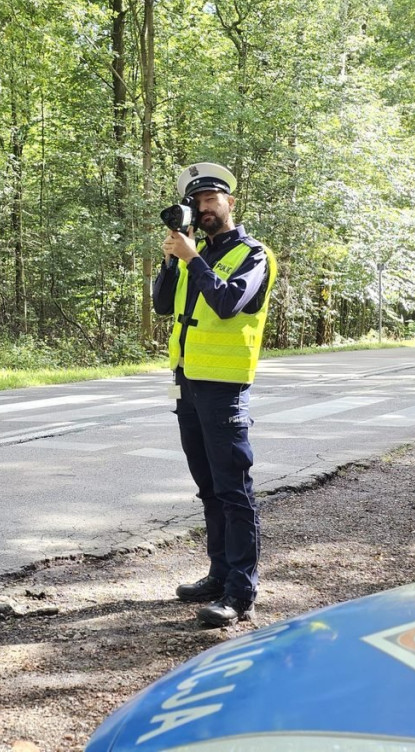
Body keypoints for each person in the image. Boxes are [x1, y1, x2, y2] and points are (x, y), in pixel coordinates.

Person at [152, 162, 277, 628]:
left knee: (233, 490)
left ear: (229, 203)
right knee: (208, 488)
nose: (203, 208)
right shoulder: (193, 253)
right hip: (187, 383)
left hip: (225, 389)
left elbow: (226, 304)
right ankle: (219, 575)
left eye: (210, 199)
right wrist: (172, 259)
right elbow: (162, 305)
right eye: (196, 202)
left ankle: (240, 593)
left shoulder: (253, 253)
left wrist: (192, 259)